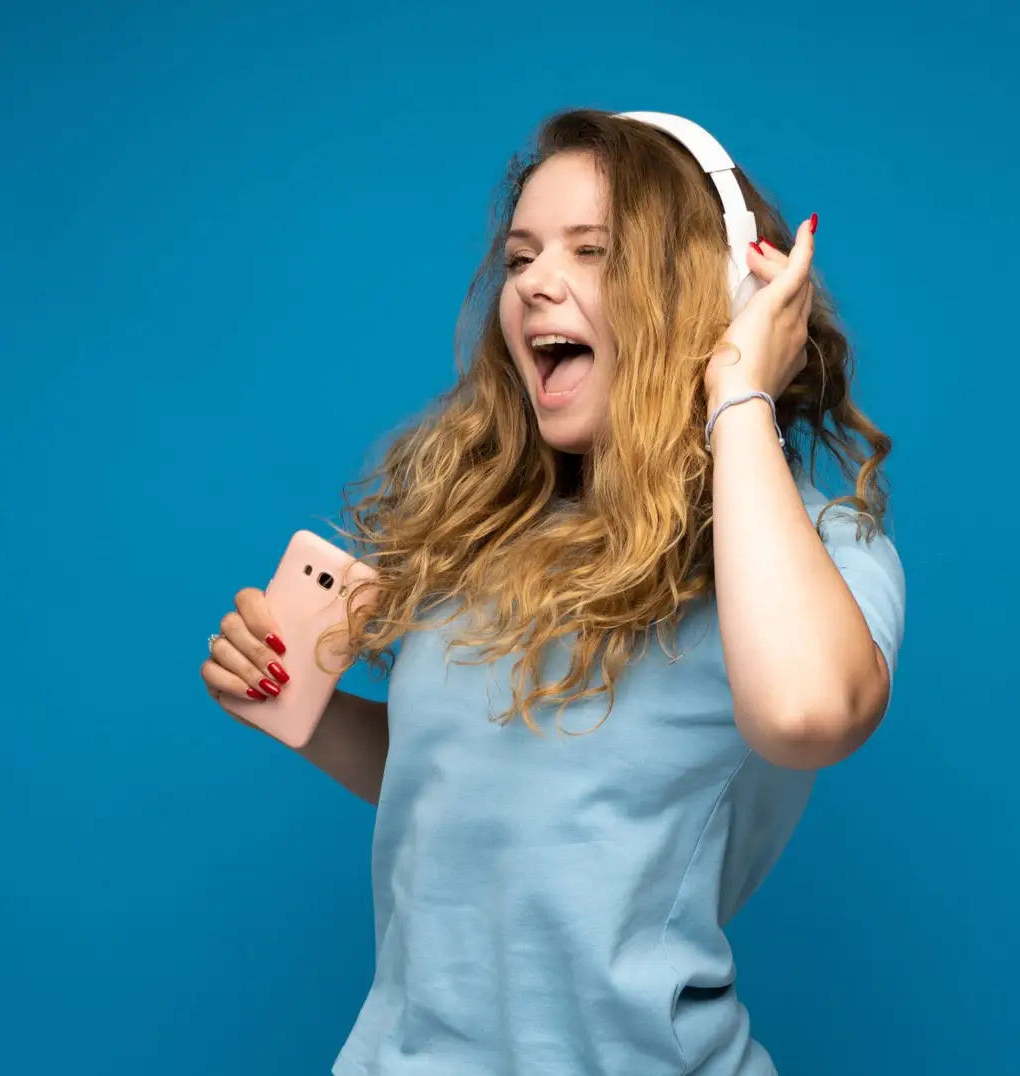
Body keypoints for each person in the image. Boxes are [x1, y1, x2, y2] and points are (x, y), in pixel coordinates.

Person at [199, 108, 906, 1075]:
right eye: (522, 254)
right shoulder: (486, 534)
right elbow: (472, 785)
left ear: (723, 291)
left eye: (593, 250)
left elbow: (806, 713)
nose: (535, 280)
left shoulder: (812, 546)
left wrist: (737, 391)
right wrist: (305, 715)